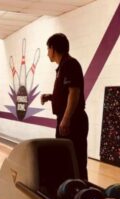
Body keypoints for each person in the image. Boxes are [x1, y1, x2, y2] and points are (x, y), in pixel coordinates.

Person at [41, 33, 89, 180]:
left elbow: (74, 92)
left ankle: (80, 191)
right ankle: (69, 189)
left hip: (73, 121)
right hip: (68, 118)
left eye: (48, 48)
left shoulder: (69, 64)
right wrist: (51, 97)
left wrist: (66, 118)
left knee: (76, 159)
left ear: (53, 49)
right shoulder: (63, 66)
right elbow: (66, 92)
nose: (47, 53)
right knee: (66, 158)